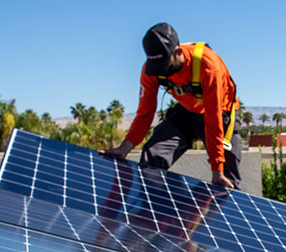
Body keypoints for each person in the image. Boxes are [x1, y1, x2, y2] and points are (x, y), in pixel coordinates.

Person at [101, 22, 242, 189]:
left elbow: (213, 119)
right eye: (157, 67)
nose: (161, 72)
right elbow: (145, 113)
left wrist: (217, 171)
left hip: (221, 116)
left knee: (227, 179)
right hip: (186, 113)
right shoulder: (151, 70)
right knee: (152, 155)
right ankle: (159, 211)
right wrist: (125, 147)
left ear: (178, 52)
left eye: (165, 66)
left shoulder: (207, 65)